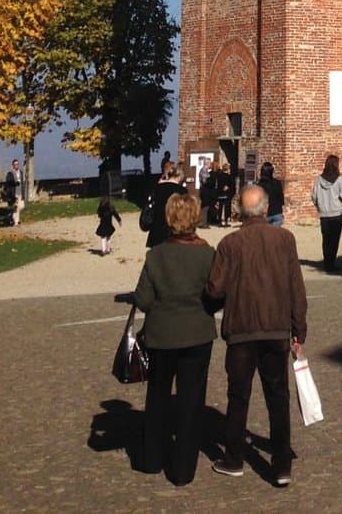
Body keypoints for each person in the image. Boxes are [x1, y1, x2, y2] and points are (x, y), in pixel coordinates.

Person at [205, 183, 307, 486]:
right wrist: (298, 328)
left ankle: (234, 457)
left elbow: (215, 289)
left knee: (238, 396)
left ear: (239, 210)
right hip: (276, 329)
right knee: (278, 396)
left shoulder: (229, 244)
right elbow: (295, 287)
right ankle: (282, 465)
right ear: (265, 209)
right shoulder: (284, 239)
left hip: (241, 330)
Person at [132, 193, 216, 486]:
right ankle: (182, 470)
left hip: (161, 335)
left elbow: (142, 299)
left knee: (157, 397)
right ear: (195, 218)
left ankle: (151, 459)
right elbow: (216, 295)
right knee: (191, 402)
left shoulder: (156, 255)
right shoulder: (208, 254)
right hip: (197, 335)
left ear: (168, 219)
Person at [310, 154, 342, 271]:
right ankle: (331, 263)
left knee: (326, 240)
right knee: (334, 240)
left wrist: (319, 206)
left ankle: (327, 262)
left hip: (324, 214)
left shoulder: (318, 180)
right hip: (336, 214)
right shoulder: (339, 180)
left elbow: (314, 197)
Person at [146, 162, 184, 249]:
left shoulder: (157, 188)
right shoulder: (181, 191)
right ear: (179, 175)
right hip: (174, 229)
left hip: (157, 228)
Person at [258, 161, 285, 226]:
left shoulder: (259, 186)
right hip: (277, 212)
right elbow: (281, 198)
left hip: (265, 214)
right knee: (275, 235)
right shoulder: (278, 183)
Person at [4, 158, 24, 226]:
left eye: (17, 164)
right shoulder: (10, 173)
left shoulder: (21, 172)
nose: (16, 165)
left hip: (20, 192)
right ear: (13, 165)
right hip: (14, 193)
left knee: (21, 206)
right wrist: (15, 183)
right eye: (15, 164)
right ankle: (16, 221)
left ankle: (10, 216)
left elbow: (22, 182)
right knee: (16, 207)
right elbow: (8, 183)